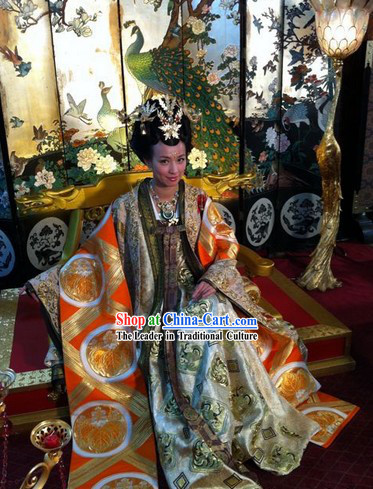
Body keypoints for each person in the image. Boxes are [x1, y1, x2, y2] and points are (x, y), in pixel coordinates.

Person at [28, 96, 321, 489]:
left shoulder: (198, 201)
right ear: (147, 161)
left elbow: (225, 245)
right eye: (164, 161)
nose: (173, 169)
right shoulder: (127, 207)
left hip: (199, 292)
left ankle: (231, 424)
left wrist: (214, 277)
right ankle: (199, 438)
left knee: (215, 316)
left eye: (180, 159)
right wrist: (50, 284)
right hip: (149, 310)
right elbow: (96, 256)